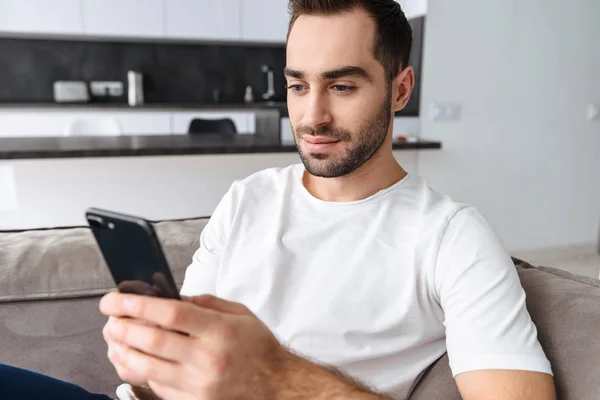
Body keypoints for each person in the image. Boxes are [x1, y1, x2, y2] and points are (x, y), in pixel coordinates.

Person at [1, 1, 556, 399]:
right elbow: (168, 374)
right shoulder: (248, 198)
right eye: (297, 85)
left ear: (401, 89)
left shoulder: (451, 236)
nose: (312, 116)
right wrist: (149, 361)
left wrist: (276, 378)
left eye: (342, 86)